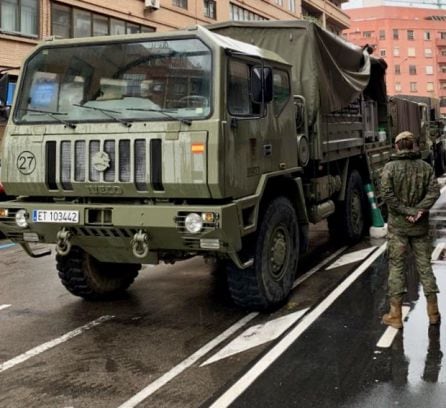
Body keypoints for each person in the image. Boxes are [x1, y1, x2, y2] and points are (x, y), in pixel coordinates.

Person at [381, 130, 441, 329]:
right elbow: (434, 191)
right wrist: (419, 210)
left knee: (397, 267)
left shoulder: (390, 167)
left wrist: (406, 211)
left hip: (398, 229)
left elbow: (387, 196)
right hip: (420, 227)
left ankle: (395, 315)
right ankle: (433, 313)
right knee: (425, 267)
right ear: (414, 145)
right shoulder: (425, 167)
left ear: (397, 146)